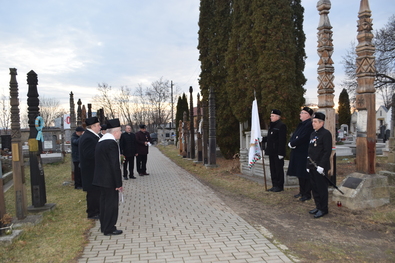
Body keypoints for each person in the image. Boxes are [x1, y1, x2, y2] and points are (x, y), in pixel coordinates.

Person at [92, 118, 123, 236]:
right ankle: (109, 228)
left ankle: (104, 226)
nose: (121, 133)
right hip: (109, 180)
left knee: (104, 204)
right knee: (111, 205)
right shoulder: (111, 143)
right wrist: (118, 183)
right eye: (120, 131)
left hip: (101, 179)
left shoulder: (101, 142)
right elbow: (114, 165)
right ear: (115, 132)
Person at [307, 112, 332, 218]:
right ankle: (318, 206)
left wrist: (322, 165)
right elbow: (310, 151)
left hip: (320, 167)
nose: (313, 124)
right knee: (314, 188)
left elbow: (327, 151)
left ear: (321, 123)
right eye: (313, 121)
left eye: (315, 122)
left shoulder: (326, 134)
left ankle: (323, 209)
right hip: (312, 165)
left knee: (321, 188)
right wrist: (308, 165)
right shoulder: (313, 134)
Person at [287, 107, 314, 201]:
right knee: (299, 173)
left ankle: (307, 194)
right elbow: (295, 136)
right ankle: (302, 192)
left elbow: (304, 137)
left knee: (305, 174)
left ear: (308, 115)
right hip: (298, 152)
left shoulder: (309, 125)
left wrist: (293, 143)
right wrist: (291, 142)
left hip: (304, 152)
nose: (300, 114)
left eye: (302, 113)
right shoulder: (301, 124)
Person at [79, 116, 102, 220]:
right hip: (90, 170)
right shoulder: (88, 137)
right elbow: (89, 154)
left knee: (96, 192)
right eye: (98, 125)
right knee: (93, 193)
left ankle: (97, 210)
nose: (100, 127)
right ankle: (92, 213)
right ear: (92, 126)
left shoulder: (93, 136)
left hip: (94, 170)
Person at [263, 109, 287, 192]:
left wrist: (281, 153)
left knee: (278, 169)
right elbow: (270, 138)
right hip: (271, 151)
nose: (271, 117)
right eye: (271, 116)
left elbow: (282, 140)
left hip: (277, 152)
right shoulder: (272, 126)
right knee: (272, 169)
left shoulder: (281, 126)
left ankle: (280, 186)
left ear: (277, 117)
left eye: (272, 116)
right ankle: (274, 184)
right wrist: (262, 139)